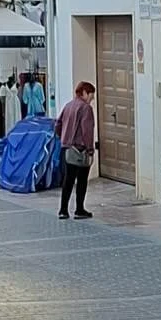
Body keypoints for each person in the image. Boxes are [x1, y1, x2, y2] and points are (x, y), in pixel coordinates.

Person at [55, 80, 96, 218]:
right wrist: (90, 149)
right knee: (82, 180)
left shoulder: (68, 105)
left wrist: (63, 137)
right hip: (80, 149)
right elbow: (87, 131)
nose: (92, 99)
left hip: (67, 148)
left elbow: (58, 124)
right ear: (84, 93)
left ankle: (63, 210)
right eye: (91, 95)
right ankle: (79, 209)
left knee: (68, 180)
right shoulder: (86, 108)